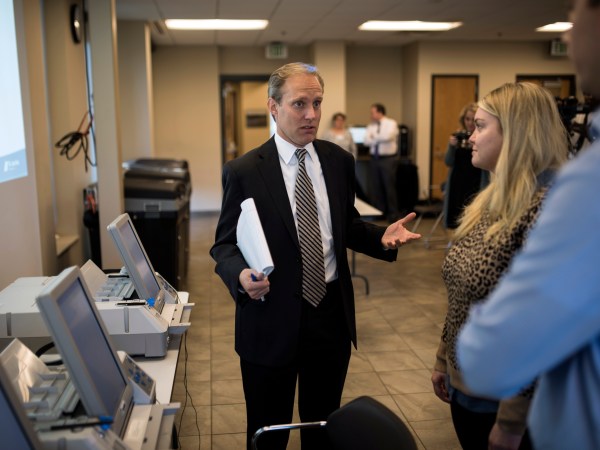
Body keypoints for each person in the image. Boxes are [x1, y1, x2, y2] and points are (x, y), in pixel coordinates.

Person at [210, 62, 421, 450]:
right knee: (268, 431)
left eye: (317, 103)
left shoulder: (338, 161)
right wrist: (239, 275)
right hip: (269, 318)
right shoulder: (244, 171)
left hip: (329, 318)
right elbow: (224, 245)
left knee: (322, 431)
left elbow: (347, 226)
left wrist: (381, 238)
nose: (311, 114)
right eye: (299, 104)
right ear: (274, 107)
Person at [457, 1, 600, 449]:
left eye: (577, 16)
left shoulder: (574, 189)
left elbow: (493, 356)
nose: (570, 36)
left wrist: (512, 419)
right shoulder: (487, 199)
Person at [431, 82, 567, 450]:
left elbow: (542, 327)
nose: (470, 137)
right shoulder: (489, 201)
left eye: (480, 126)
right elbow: (463, 289)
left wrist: (511, 420)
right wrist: (444, 358)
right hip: (468, 388)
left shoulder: (548, 209)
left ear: (517, 133)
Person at [443, 102, 485, 230]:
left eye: (473, 120)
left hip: (476, 183)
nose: (470, 123)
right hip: (457, 183)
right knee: (455, 220)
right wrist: (451, 146)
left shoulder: (483, 137)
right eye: (467, 119)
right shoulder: (458, 136)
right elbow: (448, 161)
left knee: (474, 221)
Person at [363, 103, 400, 222]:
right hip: (374, 159)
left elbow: (388, 136)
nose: (371, 115)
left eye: (372, 112)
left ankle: (393, 214)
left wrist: (374, 137)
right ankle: (379, 213)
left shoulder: (391, 123)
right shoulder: (371, 126)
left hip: (388, 159)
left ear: (380, 112)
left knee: (389, 187)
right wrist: (376, 138)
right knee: (375, 187)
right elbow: (366, 141)